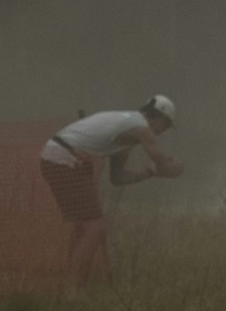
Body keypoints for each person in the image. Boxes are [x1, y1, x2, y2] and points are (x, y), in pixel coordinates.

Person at [38, 95, 178, 283]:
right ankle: (73, 289)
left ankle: (70, 282)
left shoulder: (127, 130)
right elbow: (163, 164)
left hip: (57, 157)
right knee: (94, 227)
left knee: (85, 226)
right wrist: (173, 168)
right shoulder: (141, 127)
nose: (164, 130)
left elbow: (118, 178)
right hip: (63, 159)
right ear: (155, 117)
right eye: (166, 124)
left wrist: (150, 172)